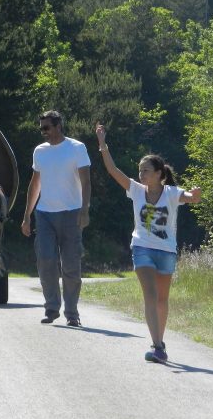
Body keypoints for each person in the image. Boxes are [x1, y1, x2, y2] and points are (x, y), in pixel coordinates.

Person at [95, 122, 201, 362]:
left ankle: (159, 342)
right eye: (140, 171)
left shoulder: (172, 193)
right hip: (142, 248)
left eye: (146, 171)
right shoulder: (135, 190)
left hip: (166, 251)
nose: (141, 175)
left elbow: (190, 198)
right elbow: (113, 171)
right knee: (151, 296)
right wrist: (103, 144)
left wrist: (195, 195)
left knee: (162, 300)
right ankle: (158, 345)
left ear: (159, 174)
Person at [21, 110, 91, 327]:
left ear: (59, 126)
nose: (44, 132)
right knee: (45, 260)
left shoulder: (77, 148)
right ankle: (52, 307)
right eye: (41, 128)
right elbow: (35, 185)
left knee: (71, 265)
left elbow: (86, 182)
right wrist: (26, 216)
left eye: (47, 128)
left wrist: (85, 210)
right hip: (44, 215)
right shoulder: (40, 151)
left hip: (71, 213)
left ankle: (72, 312)